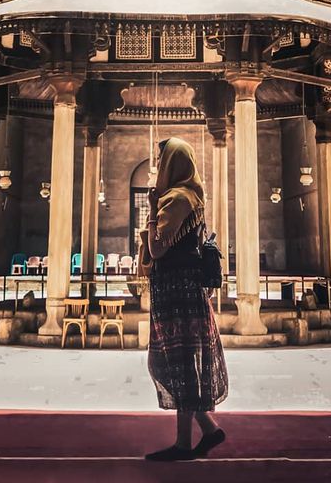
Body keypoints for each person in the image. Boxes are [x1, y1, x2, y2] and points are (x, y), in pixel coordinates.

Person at [144, 137, 228, 461]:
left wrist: (151, 209)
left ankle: (183, 445)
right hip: (183, 290)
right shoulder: (191, 195)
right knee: (180, 361)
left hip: (177, 292)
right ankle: (209, 429)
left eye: (161, 158)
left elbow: (157, 248)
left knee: (179, 362)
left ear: (172, 163)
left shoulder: (177, 199)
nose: (158, 163)